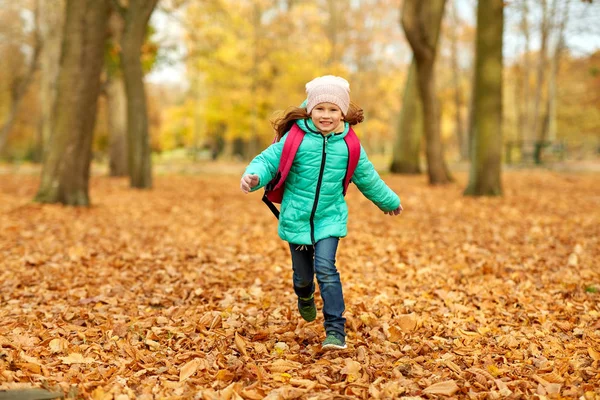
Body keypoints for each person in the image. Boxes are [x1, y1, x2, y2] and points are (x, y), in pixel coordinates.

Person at [240, 75, 402, 350]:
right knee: (303, 278)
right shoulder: (296, 138)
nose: (326, 115)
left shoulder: (350, 145)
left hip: (330, 218)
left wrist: (389, 201)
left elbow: (368, 177)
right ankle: (304, 296)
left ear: (343, 113)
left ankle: (335, 331)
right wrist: (253, 176)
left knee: (326, 268)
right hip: (297, 218)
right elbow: (268, 159)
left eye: (333, 109)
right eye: (320, 109)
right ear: (310, 110)